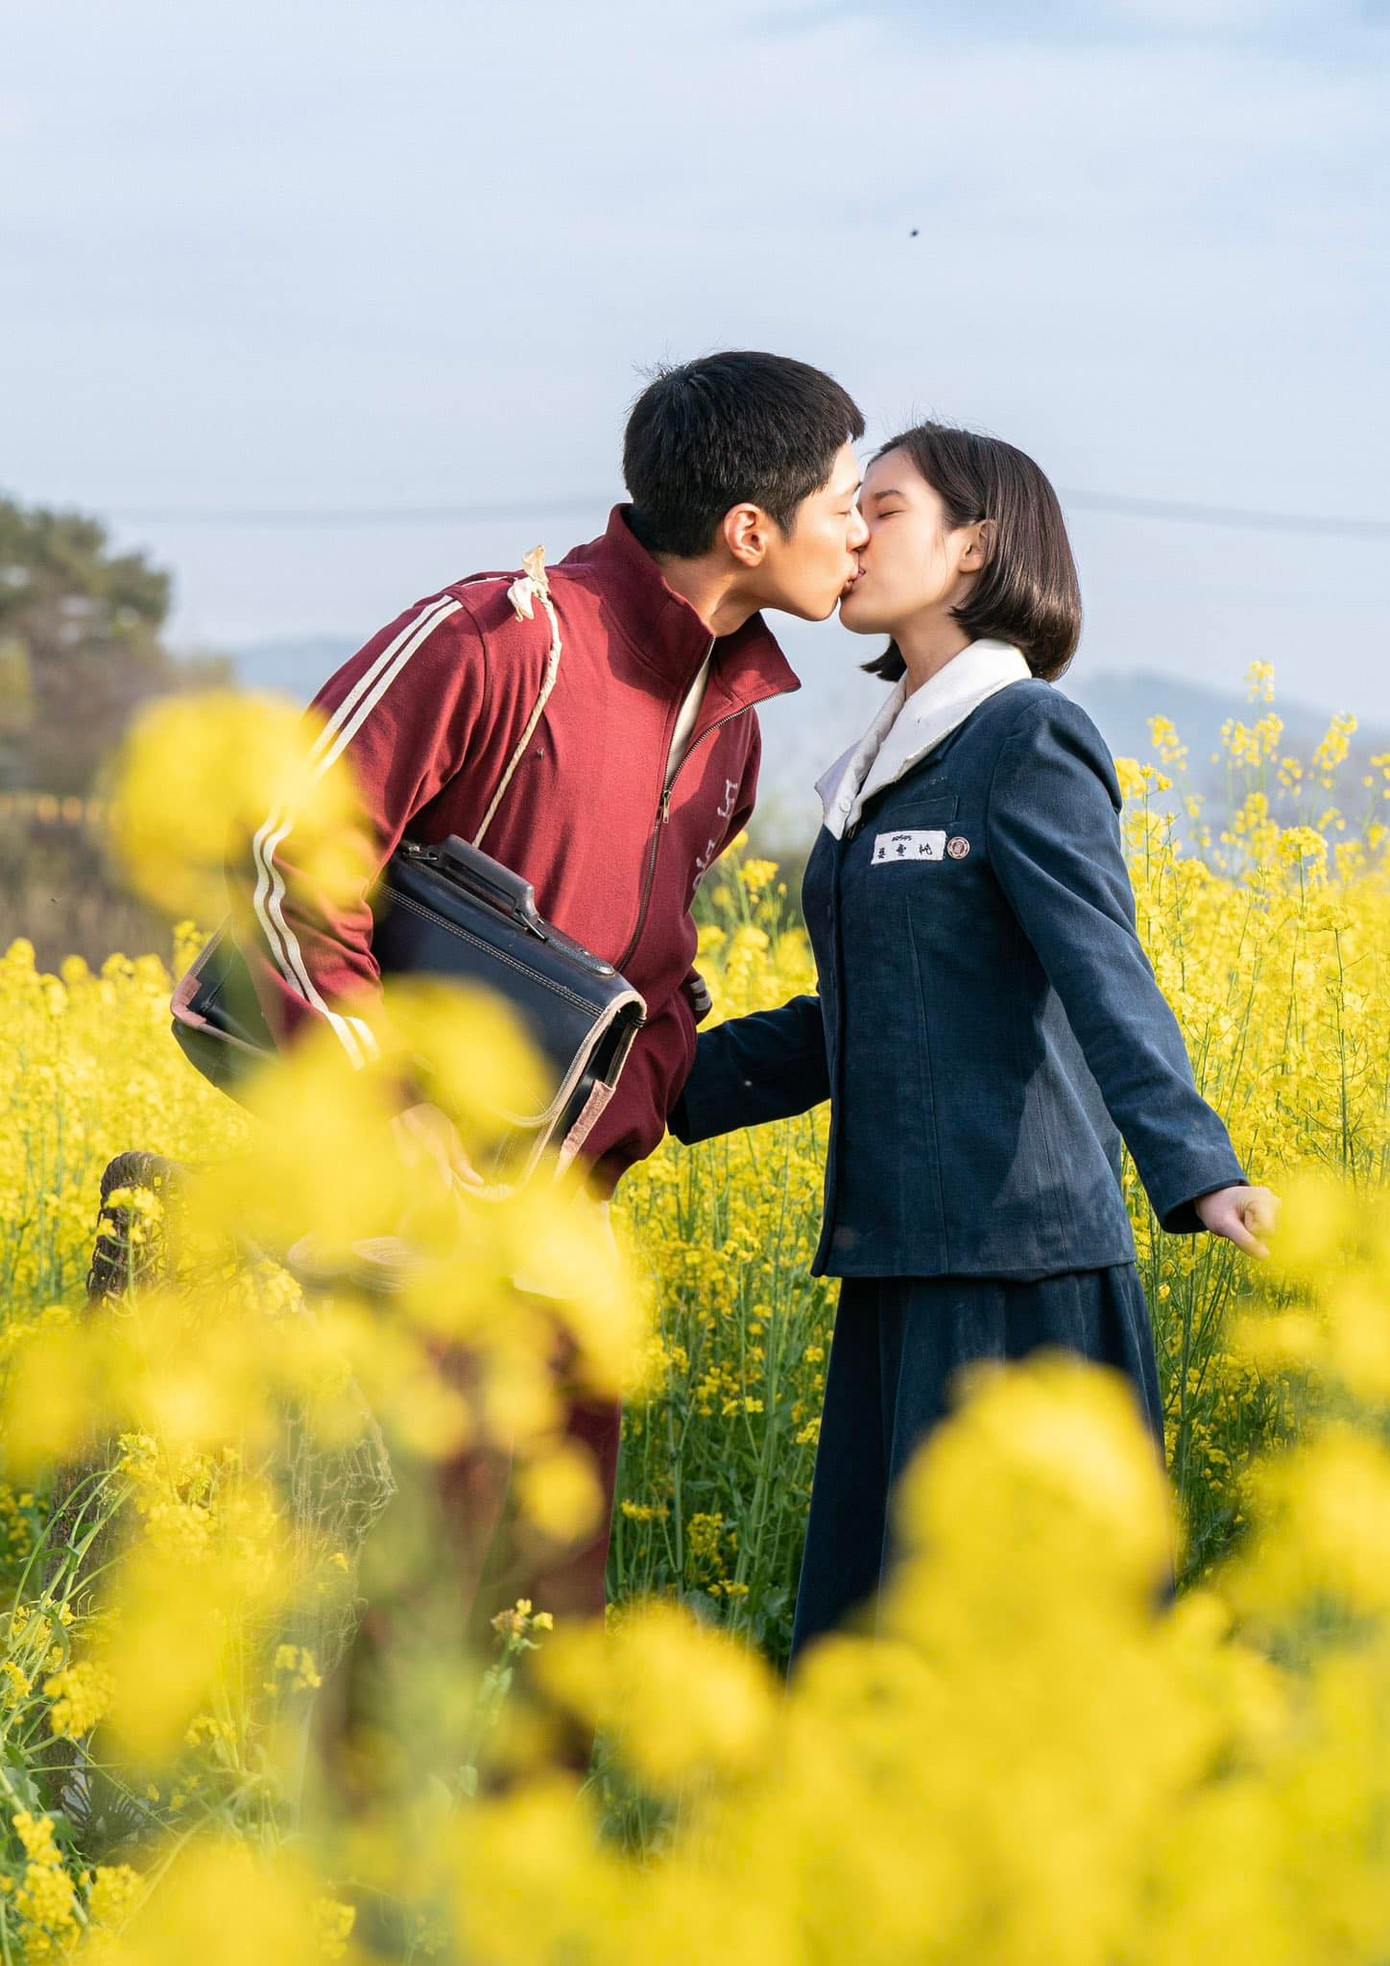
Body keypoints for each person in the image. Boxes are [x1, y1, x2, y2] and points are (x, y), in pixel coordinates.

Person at [227, 351, 869, 1644]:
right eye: (848, 500)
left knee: (545, 1640)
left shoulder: (736, 736)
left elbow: (646, 963)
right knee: (384, 1630)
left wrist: (674, 1066)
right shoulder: (501, 637)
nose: (863, 532)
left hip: (567, 1245)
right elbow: (282, 859)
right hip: (397, 1234)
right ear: (751, 529)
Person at [669, 421, 1278, 1664]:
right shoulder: (874, 767)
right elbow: (870, 1014)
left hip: (1022, 1267)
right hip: (899, 1264)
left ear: (972, 549)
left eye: (881, 508)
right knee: (880, 1647)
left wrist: (1197, 1164)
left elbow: (1102, 969)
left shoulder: (1022, 739)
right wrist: (660, 1082)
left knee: (1033, 1656)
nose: (849, 531)